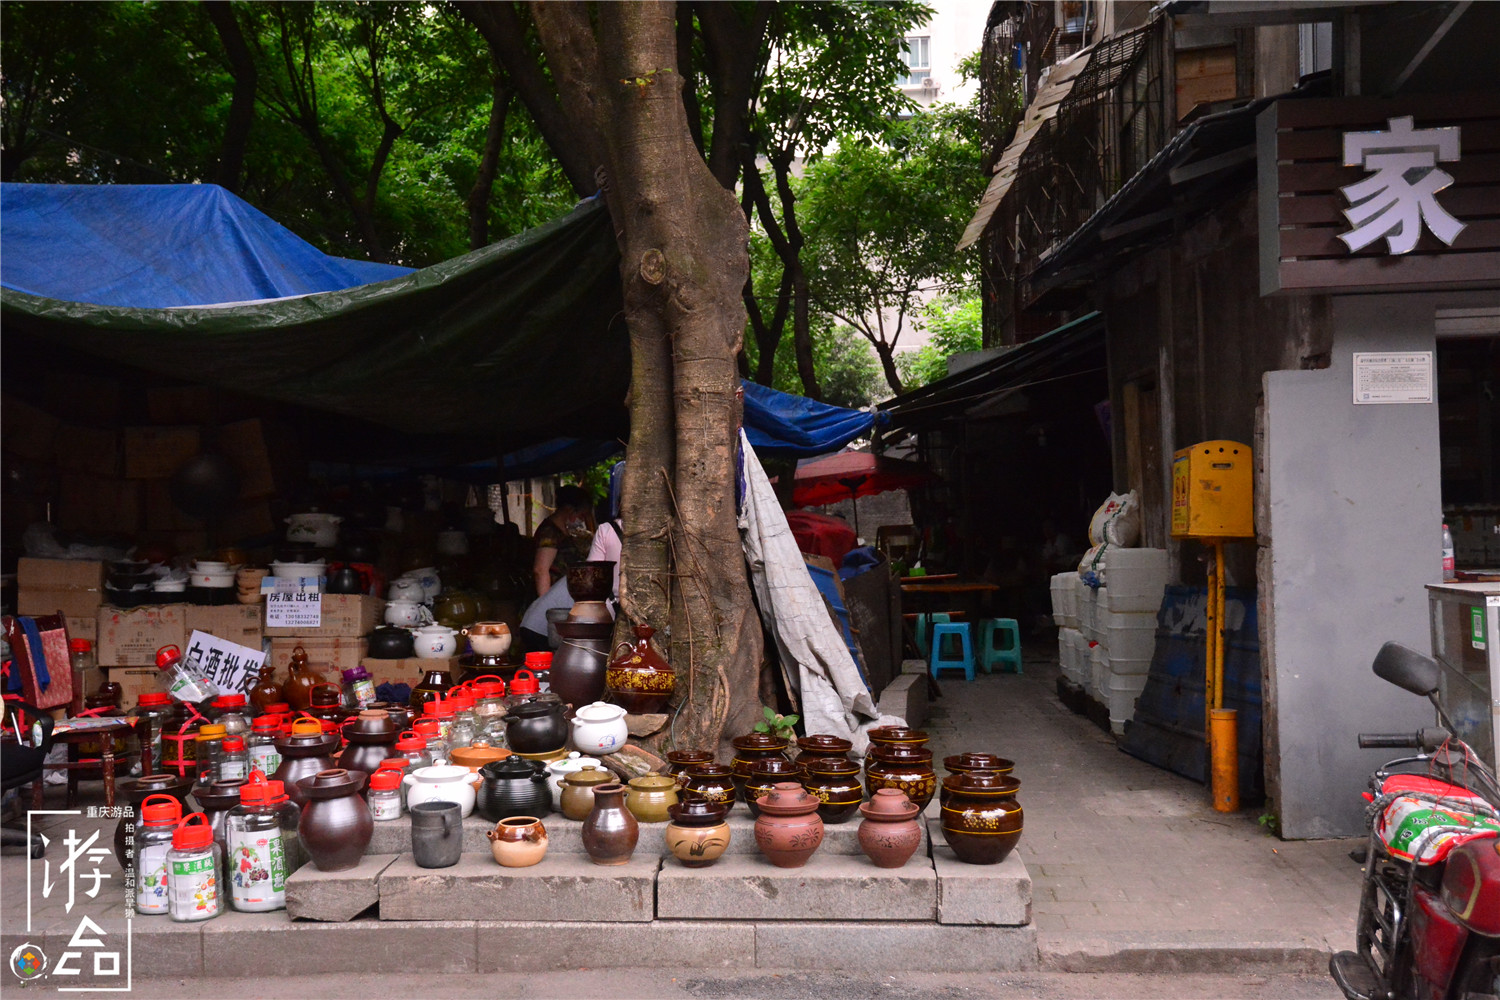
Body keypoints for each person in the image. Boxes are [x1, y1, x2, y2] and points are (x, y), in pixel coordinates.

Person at [518, 485, 596, 653]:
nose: (581, 519)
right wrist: (548, 610)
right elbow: (541, 570)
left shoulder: (563, 532)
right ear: (569, 509)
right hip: (550, 604)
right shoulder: (550, 533)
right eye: (581, 514)